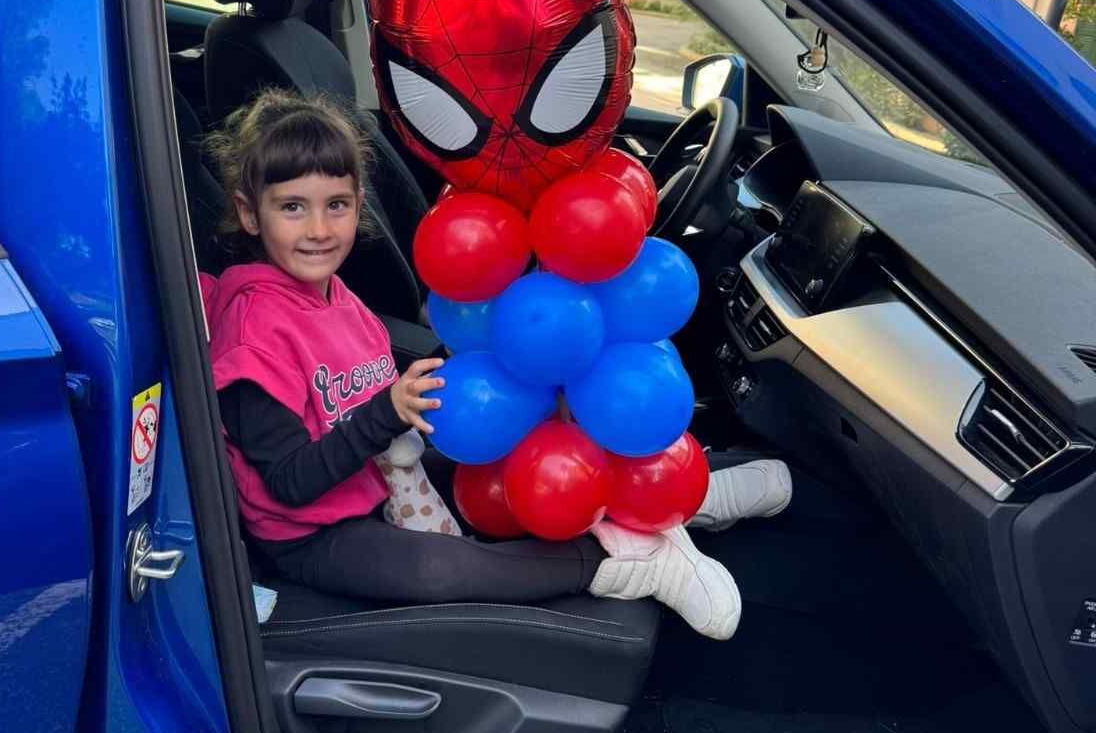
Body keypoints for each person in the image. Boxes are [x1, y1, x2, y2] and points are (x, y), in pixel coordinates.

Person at [203, 90, 790, 640]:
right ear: (249, 215)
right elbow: (288, 485)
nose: (318, 230)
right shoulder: (252, 338)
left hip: (373, 469)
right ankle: (629, 560)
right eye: (292, 208)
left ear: (360, 205)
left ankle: (681, 498)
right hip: (312, 532)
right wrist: (387, 414)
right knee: (438, 571)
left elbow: (369, 390)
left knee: (514, 448)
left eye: (337, 205)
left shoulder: (332, 292)